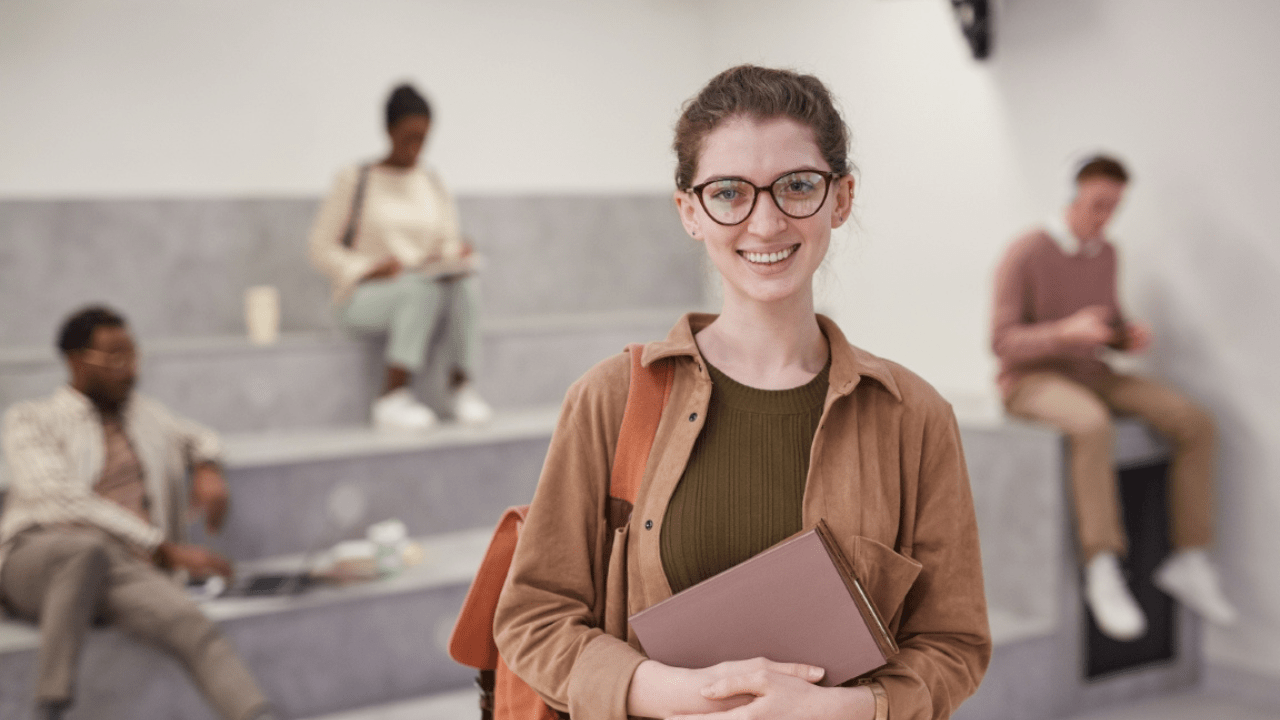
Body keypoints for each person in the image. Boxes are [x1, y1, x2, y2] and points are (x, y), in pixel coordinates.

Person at [493, 66, 990, 720]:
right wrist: (664, 691)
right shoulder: (610, 400)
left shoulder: (915, 418)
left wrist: (842, 710)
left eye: (797, 186)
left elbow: (955, 644)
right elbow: (533, 618)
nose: (765, 222)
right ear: (690, 211)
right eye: (730, 192)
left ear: (840, 199)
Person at [991, 155, 1237, 641]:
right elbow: (1002, 342)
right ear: (1071, 195)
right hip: (1030, 381)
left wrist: (1125, 338)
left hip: (1092, 371)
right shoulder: (1025, 252)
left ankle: (1189, 556)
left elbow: (1105, 324)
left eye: (1114, 207)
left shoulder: (1107, 253)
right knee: (1090, 424)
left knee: (1195, 422)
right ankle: (1102, 567)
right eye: (1097, 204)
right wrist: (1065, 333)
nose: (1105, 216)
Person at [0, 306, 274, 720]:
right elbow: (58, 500)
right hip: (36, 559)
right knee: (85, 549)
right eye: (114, 359)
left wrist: (208, 469)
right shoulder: (31, 419)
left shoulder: (147, 415)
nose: (128, 370)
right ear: (77, 361)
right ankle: (49, 708)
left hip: (125, 566)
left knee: (191, 625)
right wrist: (162, 547)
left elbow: (200, 437)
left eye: (132, 356)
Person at [309, 82, 492, 432]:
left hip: (422, 287)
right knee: (419, 290)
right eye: (408, 136)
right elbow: (320, 247)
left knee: (466, 285)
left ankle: (461, 387)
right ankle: (392, 397)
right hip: (362, 297)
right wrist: (367, 268)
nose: (416, 147)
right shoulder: (355, 179)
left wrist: (456, 255)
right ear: (389, 130)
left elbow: (447, 240)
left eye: (423, 137)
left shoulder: (432, 181)